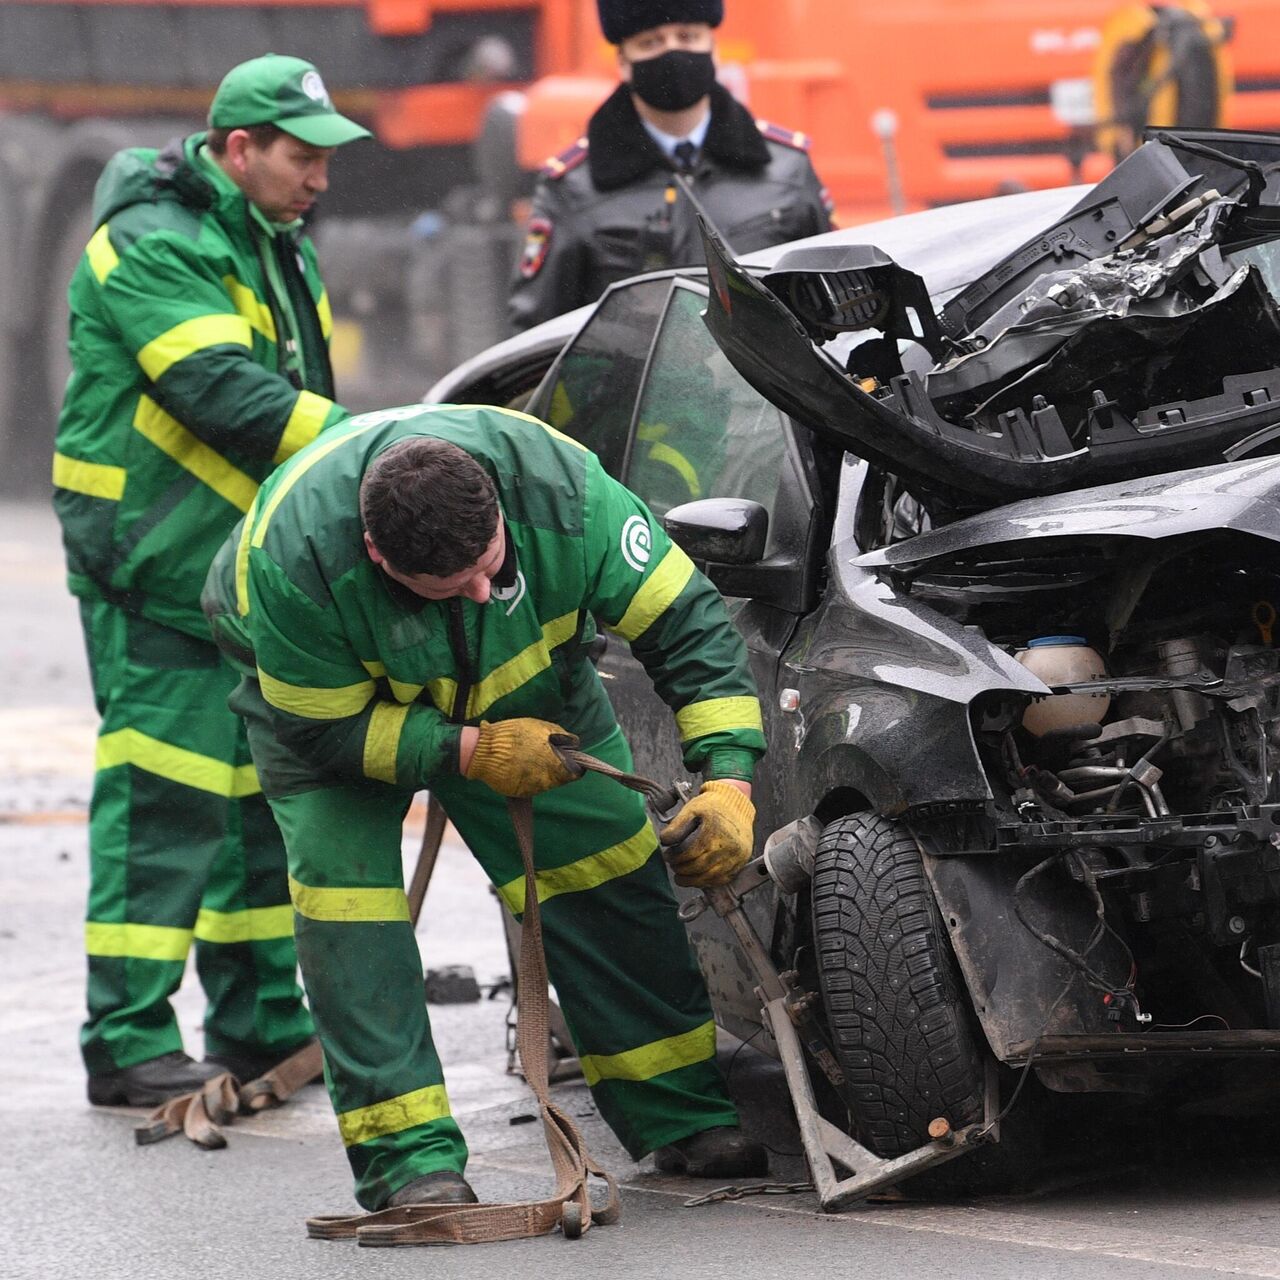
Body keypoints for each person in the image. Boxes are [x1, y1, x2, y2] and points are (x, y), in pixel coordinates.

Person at [201, 402, 770, 1209]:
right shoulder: (294, 566)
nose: (478, 592)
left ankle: (680, 1112)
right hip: (337, 716)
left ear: (500, 509)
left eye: (490, 568)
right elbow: (325, 733)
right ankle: (409, 1162)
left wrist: (728, 780)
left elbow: (687, 625)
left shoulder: (567, 497)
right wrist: (469, 752)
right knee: (349, 906)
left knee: (608, 863)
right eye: (447, 587)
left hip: (534, 683)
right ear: (375, 554)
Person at [51, 54, 370, 1105]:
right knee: (164, 805)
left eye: (327, 156)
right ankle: (128, 1038)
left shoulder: (275, 243)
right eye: (299, 155)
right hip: (152, 564)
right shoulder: (151, 242)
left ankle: (258, 1021)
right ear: (238, 150)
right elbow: (223, 394)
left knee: (251, 809)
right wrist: (373, 444)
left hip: (236, 573)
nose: (319, 176)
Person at [508, 0, 834, 331]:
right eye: (651, 42)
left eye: (687, 36)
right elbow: (537, 332)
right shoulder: (575, 189)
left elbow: (834, 303)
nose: (672, 53)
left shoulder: (786, 170)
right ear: (623, 62)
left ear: (713, 48)